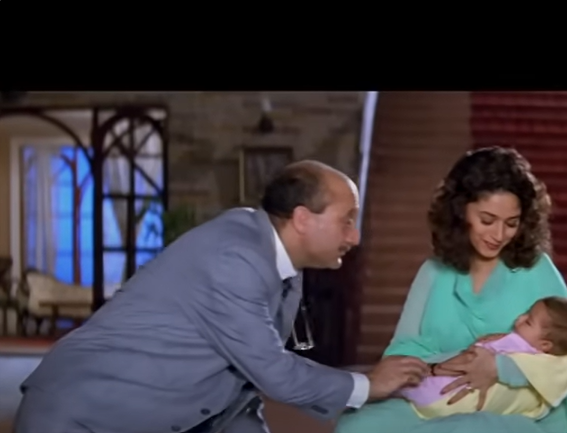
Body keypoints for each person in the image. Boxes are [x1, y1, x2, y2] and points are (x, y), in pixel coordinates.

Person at [14, 160, 430, 433]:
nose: (354, 237)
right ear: (303, 219)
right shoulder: (235, 258)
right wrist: (368, 384)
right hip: (85, 415)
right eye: (347, 220)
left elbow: (241, 384)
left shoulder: (282, 260)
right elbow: (272, 370)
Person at [334, 146, 567, 433]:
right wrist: (448, 365)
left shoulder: (537, 270)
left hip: (519, 412)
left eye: (511, 224)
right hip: (438, 394)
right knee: (356, 427)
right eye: (487, 220)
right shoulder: (434, 271)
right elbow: (405, 348)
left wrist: (499, 368)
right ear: (460, 212)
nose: (499, 235)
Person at [401, 296, 567, 419]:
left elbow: (474, 357)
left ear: (545, 345)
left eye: (528, 321)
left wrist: (435, 369)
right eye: (525, 314)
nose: (519, 319)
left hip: (442, 399)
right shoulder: (537, 354)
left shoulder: (521, 350)